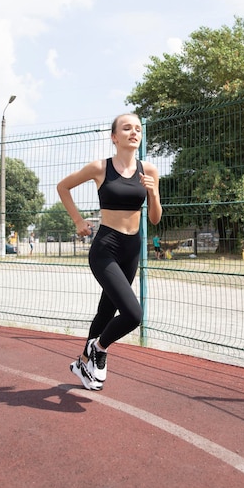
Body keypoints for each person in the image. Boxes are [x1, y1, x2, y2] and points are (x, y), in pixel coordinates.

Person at [57, 113, 162, 390]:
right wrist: (79, 221)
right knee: (133, 315)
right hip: (106, 246)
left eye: (138, 128)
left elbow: (154, 219)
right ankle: (99, 348)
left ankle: (82, 363)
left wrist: (152, 194)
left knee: (106, 311)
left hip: (132, 247)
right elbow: (63, 186)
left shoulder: (149, 171)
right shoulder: (100, 167)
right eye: (126, 128)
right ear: (114, 137)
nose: (133, 132)